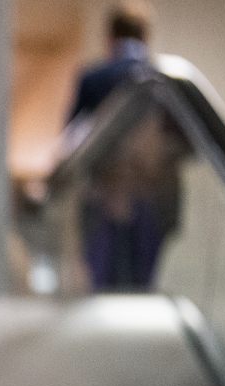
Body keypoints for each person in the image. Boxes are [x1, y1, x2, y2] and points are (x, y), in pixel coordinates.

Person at [67, 1, 184, 290]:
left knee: (105, 286)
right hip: (155, 197)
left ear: (110, 38)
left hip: (104, 197)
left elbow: (71, 138)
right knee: (143, 284)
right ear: (145, 36)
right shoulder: (169, 82)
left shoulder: (94, 80)